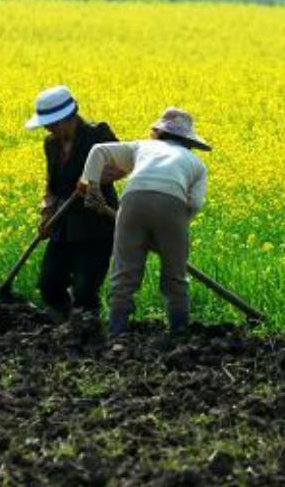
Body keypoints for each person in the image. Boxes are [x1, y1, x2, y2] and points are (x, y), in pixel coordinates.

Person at [80, 107, 210, 337]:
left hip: (133, 199)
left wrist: (92, 187)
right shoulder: (197, 164)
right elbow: (195, 203)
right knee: (175, 275)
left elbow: (98, 150)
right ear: (189, 142)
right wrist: (176, 229)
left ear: (158, 134)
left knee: (124, 273)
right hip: (173, 204)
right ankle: (179, 333)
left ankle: (116, 331)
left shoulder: (143, 146)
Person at [25, 85, 119, 322]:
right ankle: (62, 323)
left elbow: (122, 166)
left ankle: (88, 328)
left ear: (67, 118)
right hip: (62, 222)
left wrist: (94, 179)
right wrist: (46, 215)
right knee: (49, 284)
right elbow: (52, 185)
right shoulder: (51, 144)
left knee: (85, 288)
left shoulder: (98, 135)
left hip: (95, 220)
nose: (47, 128)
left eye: (51, 123)